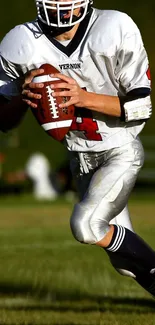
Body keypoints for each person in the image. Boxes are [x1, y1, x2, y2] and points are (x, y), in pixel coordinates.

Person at [0, 0, 154, 296]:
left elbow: (141, 107)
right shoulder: (20, 41)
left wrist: (81, 98)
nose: (61, 6)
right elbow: (4, 121)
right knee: (124, 264)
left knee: (86, 225)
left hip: (119, 150)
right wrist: (24, 93)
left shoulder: (113, 27)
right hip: (80, 160)